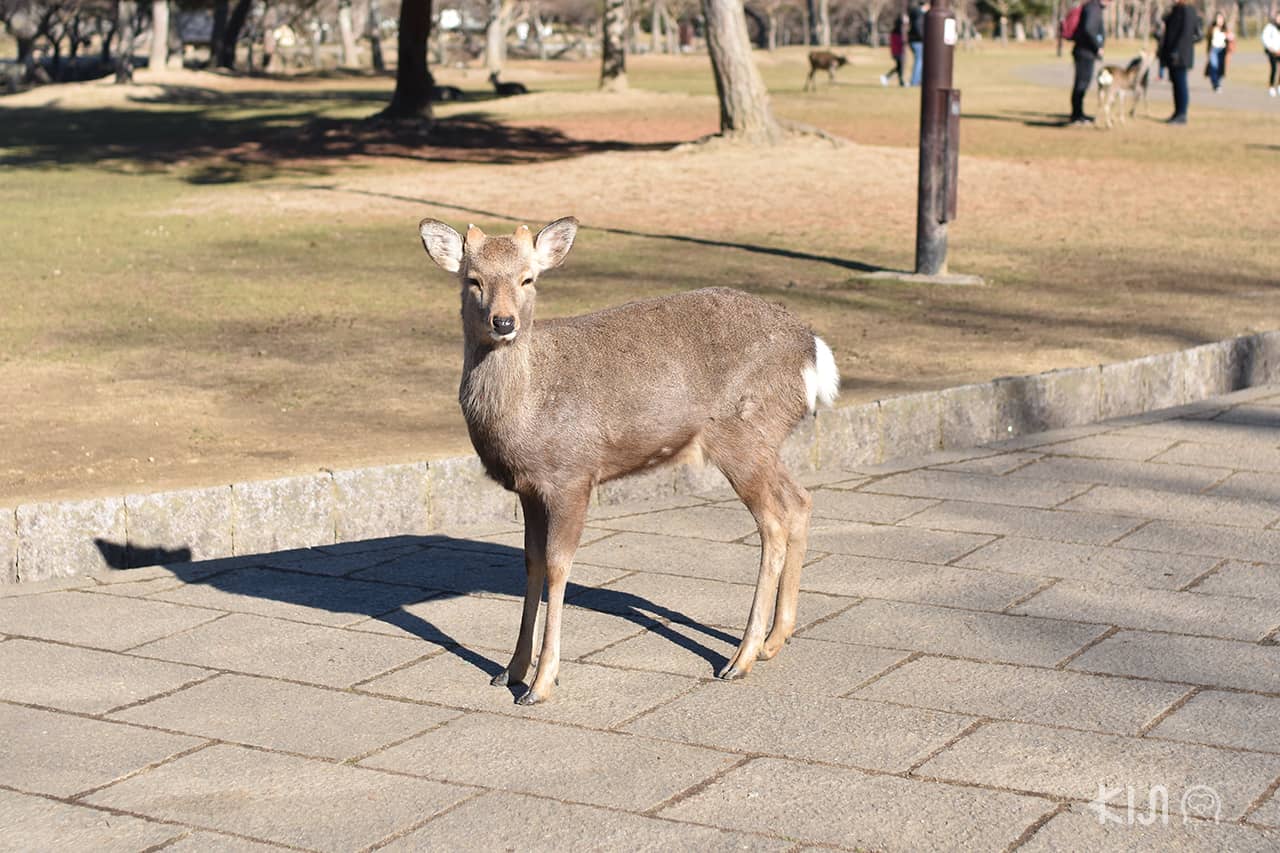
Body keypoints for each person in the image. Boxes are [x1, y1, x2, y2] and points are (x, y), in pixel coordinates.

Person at [1159, 0, 1201, 124]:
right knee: (1175, 84)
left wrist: (1177, 50)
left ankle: (1182, 113)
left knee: (1181, 83)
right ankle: (1177, 112)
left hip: (1180, 54)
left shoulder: (1187, 10)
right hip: (1172, 52)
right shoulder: (1176, 9)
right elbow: (1166, 22)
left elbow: (1185, 32)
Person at [1069, 0, 1107, 125]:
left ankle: (1079, 113)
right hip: (1085, 52)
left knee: (1082, 83)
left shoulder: (1092, 7)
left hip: (1084, 51)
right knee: (1081, 83)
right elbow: (1089, 28)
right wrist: (1098, 46)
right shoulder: (1093, 8)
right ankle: (1076, 115)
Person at [1205, 11, 1234, 91]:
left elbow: (1231, 37)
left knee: (1221, 67)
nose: (1220, 20)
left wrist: (1230, 37)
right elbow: (1209, 37)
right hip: (1214, 50)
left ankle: (1218, 82)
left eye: (1221, 18)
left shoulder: (1225, 29)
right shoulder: (1212, 28)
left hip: (1222, 50)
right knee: (1214, 66)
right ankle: (1215, 84)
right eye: (1218, 18)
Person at [881, 16, 907, 86]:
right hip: (899, 51)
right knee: (900, 67)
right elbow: (901, 42)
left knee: (899, 67)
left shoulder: (895, 30)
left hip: (895, 51)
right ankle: (898, 80)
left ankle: (889, 78)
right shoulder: (900, 31)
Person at [908, 2, 929, 86]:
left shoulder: (915, 12)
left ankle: (917, 80)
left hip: (914, 40)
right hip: (918, 41)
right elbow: (918, 27)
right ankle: (915, 81)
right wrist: (924, 38)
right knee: (919, 61)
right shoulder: (919, 14)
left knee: (919, 61)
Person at [1261, 11, 1279, 96]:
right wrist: (1270, 48)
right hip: (1272, 52)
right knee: (1274, 69)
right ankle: (1271, 87)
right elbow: (1264, 38)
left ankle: (1279, 85)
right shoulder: (1270, 27)